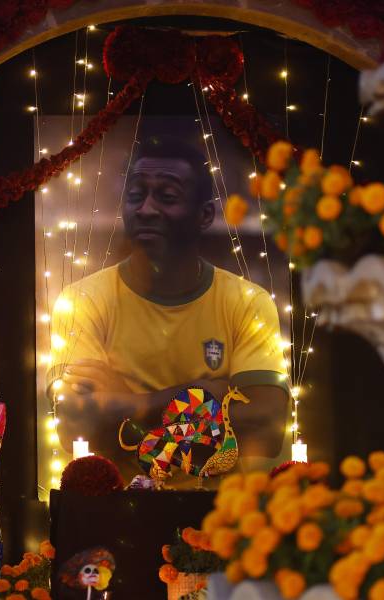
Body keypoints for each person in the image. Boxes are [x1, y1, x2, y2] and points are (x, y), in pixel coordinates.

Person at [47, 135, 289, 483]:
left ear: (204, 214)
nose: (145, 208)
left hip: (221, 516)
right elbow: (74, 425)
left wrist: (124, 401)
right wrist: (200, 393)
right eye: (136, 195)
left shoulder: (247, 301)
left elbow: (267, 428)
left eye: (167, 196)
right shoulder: (84, 299)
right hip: (114, 509)